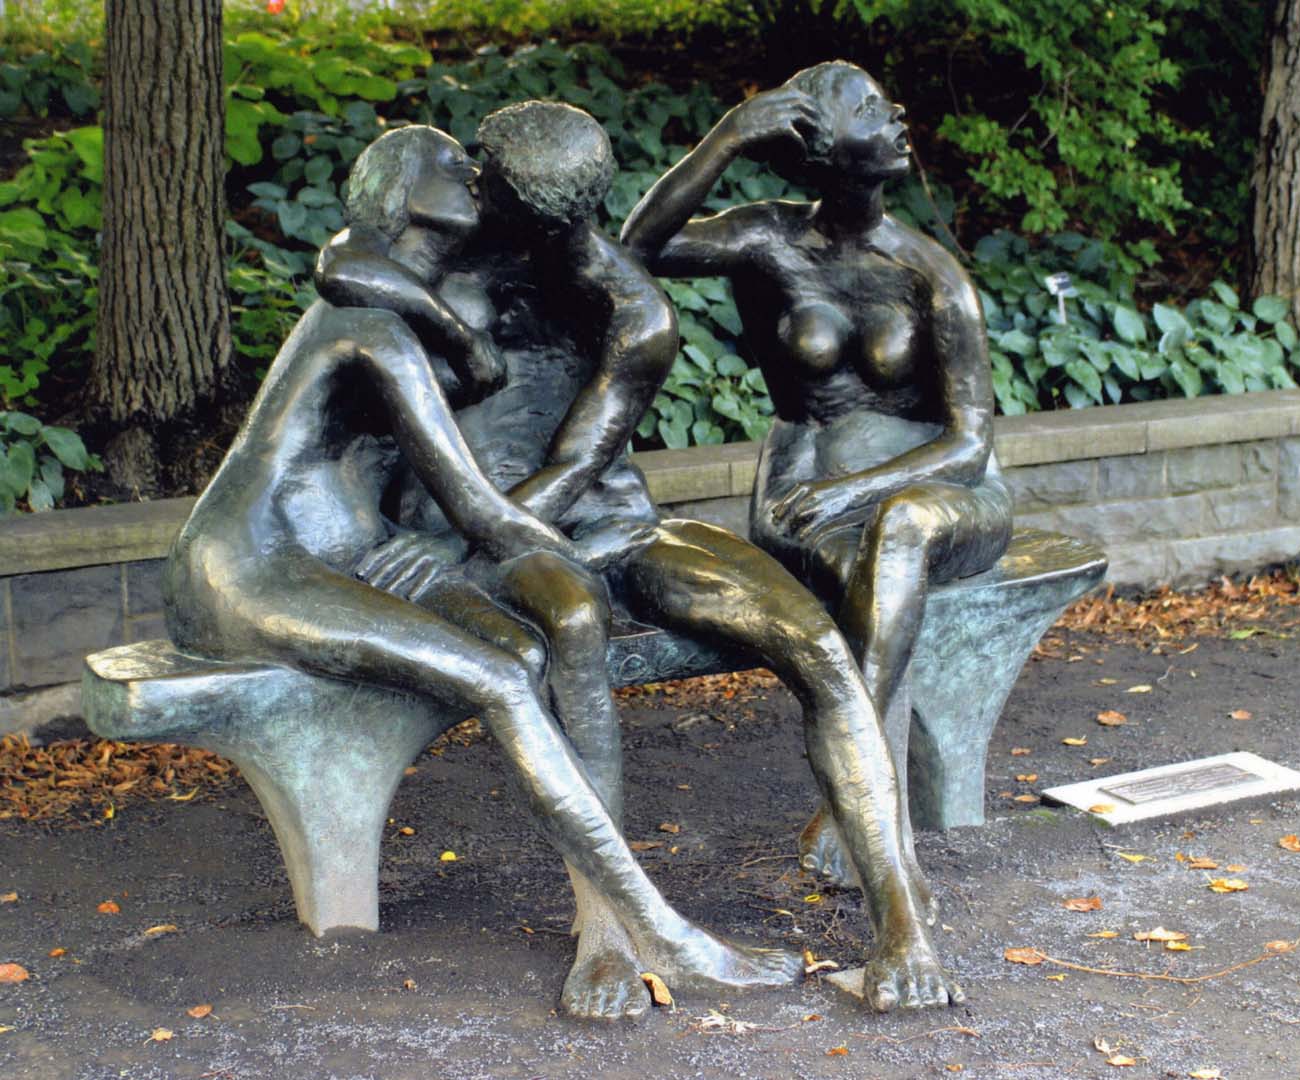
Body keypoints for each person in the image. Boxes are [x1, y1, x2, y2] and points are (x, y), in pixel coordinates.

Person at [327, 101, 963, 1011]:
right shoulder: (434, 257)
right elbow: (341, 263)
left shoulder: (634, 310)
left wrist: (462, 535)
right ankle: (606, 928)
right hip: (506, 548)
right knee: (570, 630)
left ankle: (903, 926)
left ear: (503, 191)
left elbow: (579, 461)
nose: (466, 183)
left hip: (603, 526)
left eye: (482, 178)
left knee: (819, 647)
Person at [166, 124, 800, 1022]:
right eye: (448, 164)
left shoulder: (402, 296)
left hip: (358, 553)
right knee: (501, 675)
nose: (469, 169)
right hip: (255, 564)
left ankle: (603, 926)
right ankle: (657, 923)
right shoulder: (370, 324)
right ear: (406, 196)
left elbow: (369, 270)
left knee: (539, 638)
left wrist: (462, 343)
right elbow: (479, 509)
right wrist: (597, 550)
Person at [621, 62, 1013, 888]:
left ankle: (851, 794)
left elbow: (969, 442)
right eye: (871, 106)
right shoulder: (763, 239)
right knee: (861, 577)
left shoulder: (930, 274)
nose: (897, 112)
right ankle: (868, 796)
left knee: (897, 535)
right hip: (806, 496)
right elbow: (634, 252)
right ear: (820, 145)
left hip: (941, 493)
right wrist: (727, 135)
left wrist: (852, 491)